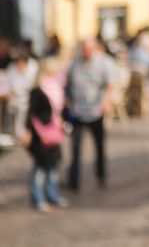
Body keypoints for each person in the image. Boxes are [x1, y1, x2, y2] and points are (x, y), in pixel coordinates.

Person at [65, 38, 115, 191]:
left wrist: (105, 101)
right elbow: (68, 84)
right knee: (75, 147)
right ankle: (74, 180)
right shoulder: (75, 63)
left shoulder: (103, 63)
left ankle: (101, 175)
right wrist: (68, 101)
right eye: (83, 49)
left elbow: (111, 85)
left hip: (95, 112)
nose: (85, 52)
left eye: (88, 49)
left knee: (99, 146)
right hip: (78, 112)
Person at [23, 59, 69, 213]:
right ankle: (38, 197)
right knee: (40, 168)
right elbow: (32, 114)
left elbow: (59, 110)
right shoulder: (38, 90)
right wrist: (36, 132)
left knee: (53, 165)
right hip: (41, 134)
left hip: (53, 131)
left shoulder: (55, 88)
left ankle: (52, 194)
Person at [5, 47, 39, 143]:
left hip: (25, 101)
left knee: (21, 122)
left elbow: (30, 87)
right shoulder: (11, 69)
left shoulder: (32, 69)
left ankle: (20, 137)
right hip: (13, 100)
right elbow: (8, 84)